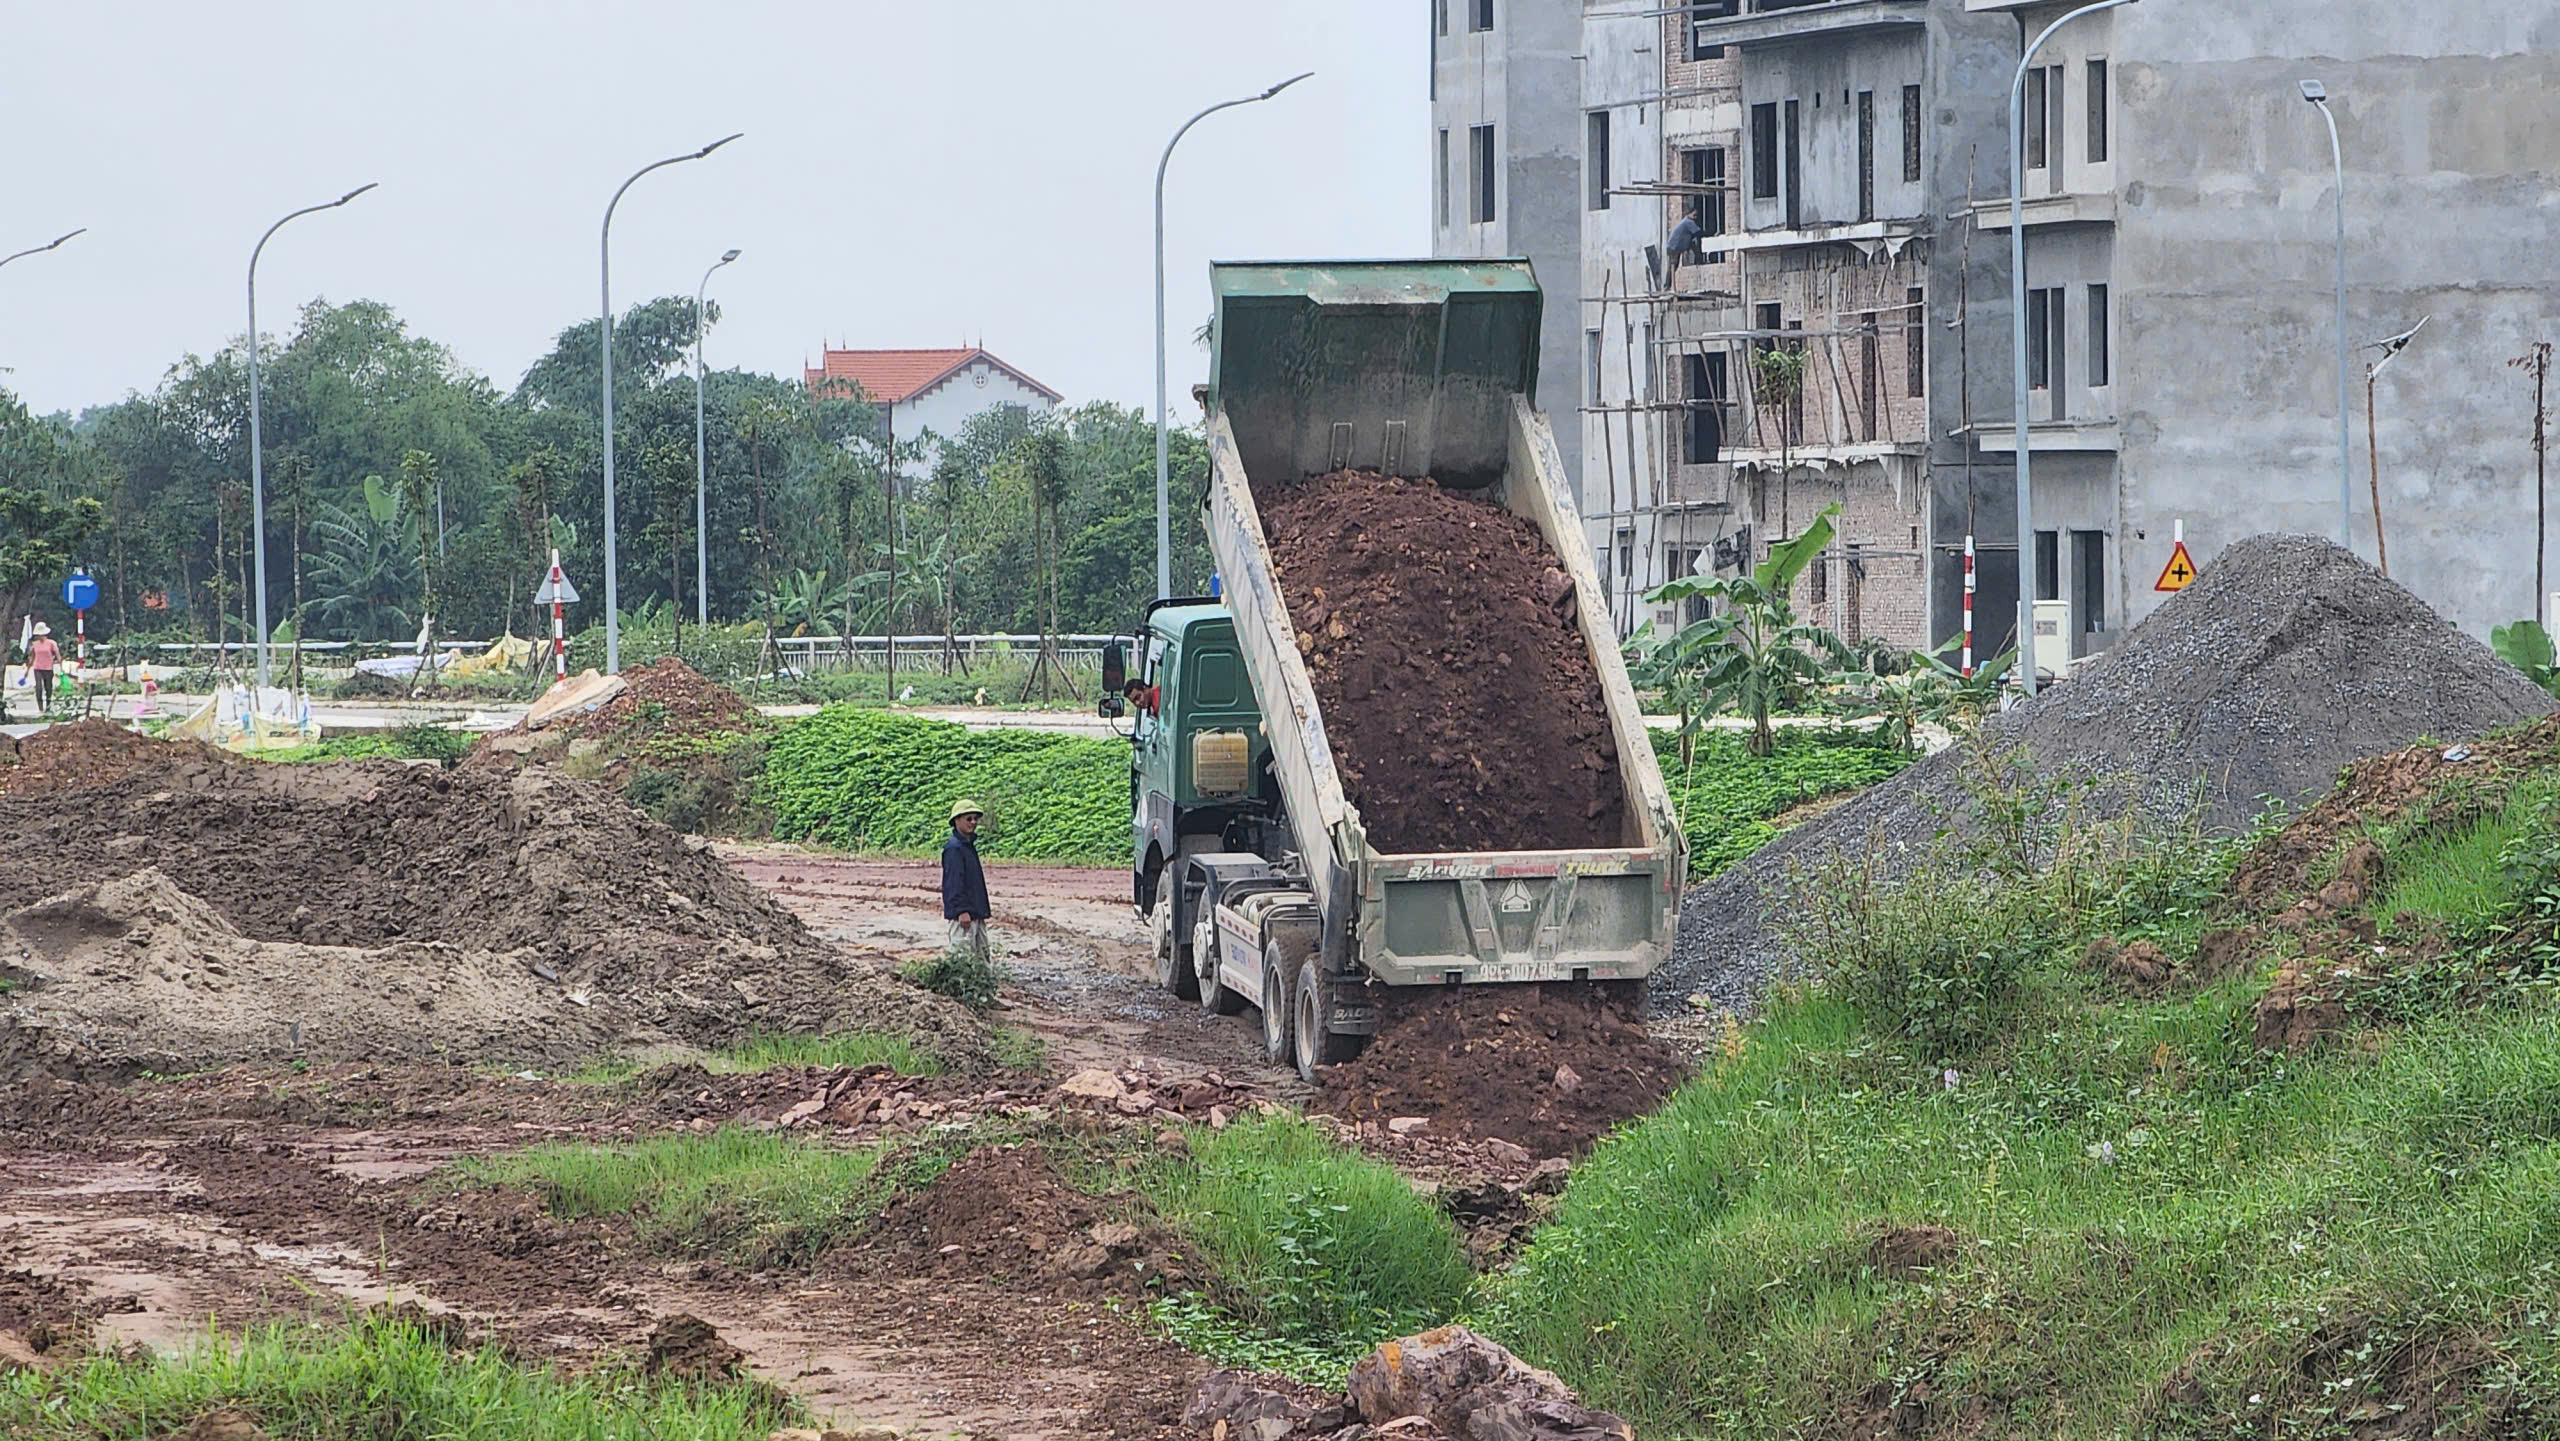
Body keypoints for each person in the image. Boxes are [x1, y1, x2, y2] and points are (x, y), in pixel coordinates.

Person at [941, 798, 991, 964]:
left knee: (981, 957)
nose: (973, 822)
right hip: (964, 916)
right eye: (968, 819)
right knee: (962, 959)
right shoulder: (954, 848)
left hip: (975, 912)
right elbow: (953, 883)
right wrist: (961, 910)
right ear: (957, 820)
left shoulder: (967, 846)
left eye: (975, 818)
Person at [26, 623, 60, 714]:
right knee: (39, 688)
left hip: (48, 668)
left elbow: (58, 656)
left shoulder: (51, 643)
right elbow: (32, 657)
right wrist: (27, 670)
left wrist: (61, 667)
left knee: (48, 688)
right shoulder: (35, 645)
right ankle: (40, 709)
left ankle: (48, 707)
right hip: (38, 668)